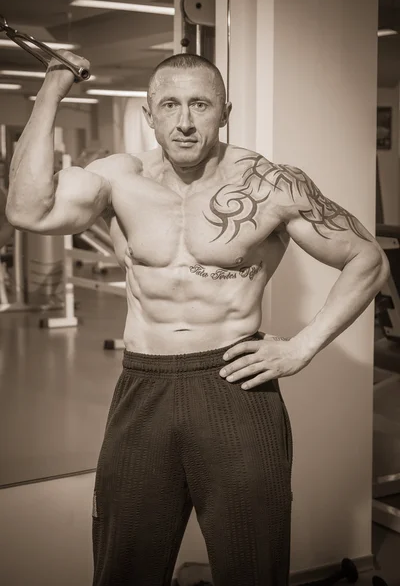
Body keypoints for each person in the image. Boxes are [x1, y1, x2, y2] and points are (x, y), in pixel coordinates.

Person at [6, 51, 389, 586]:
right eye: (170, 105)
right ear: (150, 114)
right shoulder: (118, 178)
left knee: (253, 562)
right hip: (145, 383)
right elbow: (27, 210)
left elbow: (367, 258)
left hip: (234, 385)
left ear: (224, 112)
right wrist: (53, 85)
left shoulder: (270, 183)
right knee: (125, 563)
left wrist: (302, 347)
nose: (185, 121)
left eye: (200, 105)